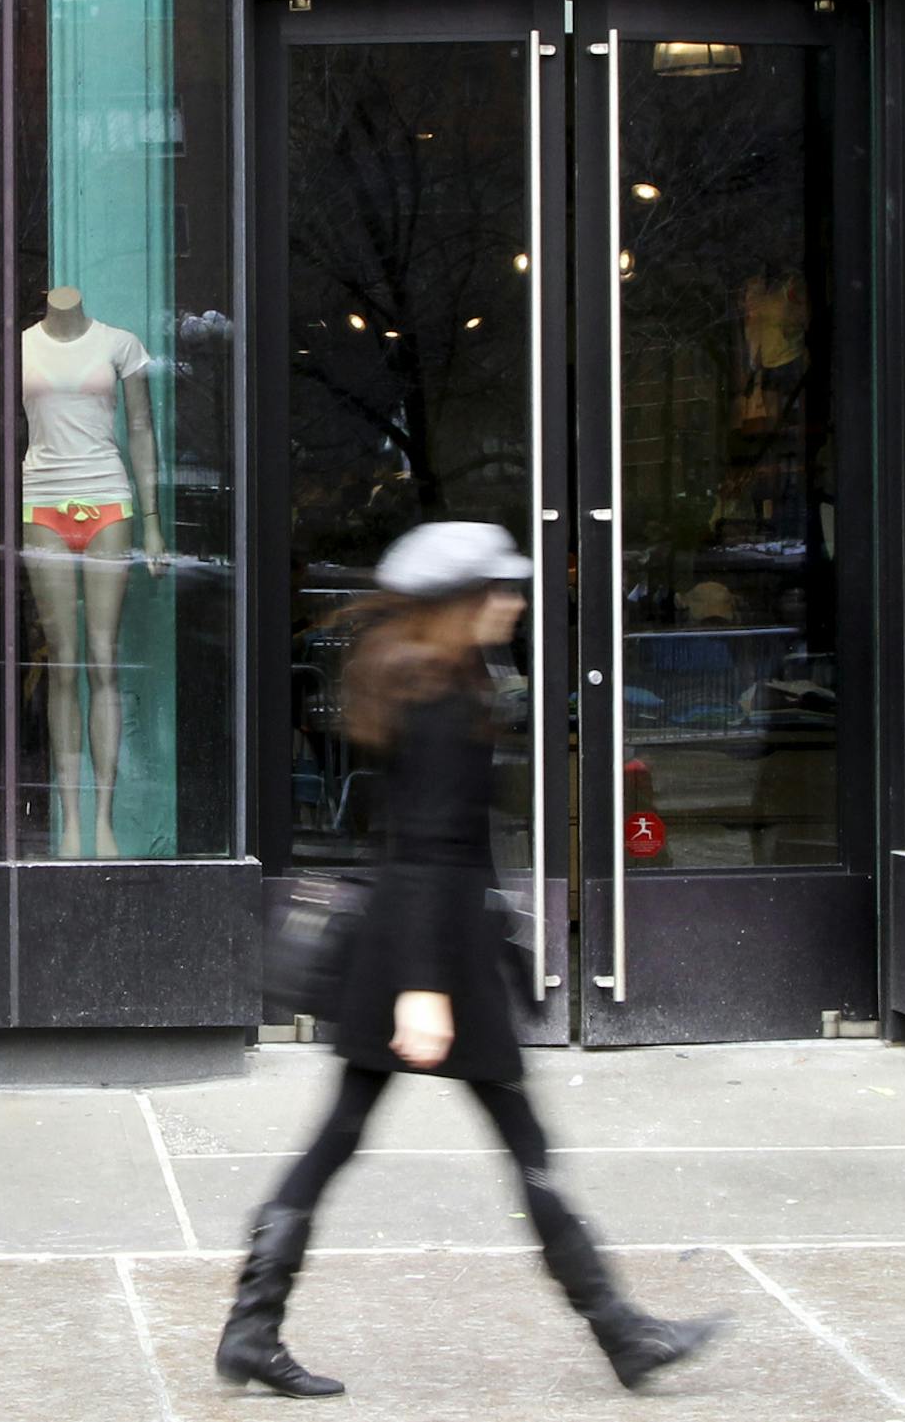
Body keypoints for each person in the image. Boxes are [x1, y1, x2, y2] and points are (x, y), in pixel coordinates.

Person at [215, 521, 724, 1399]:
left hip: (426, 950)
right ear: (459, 601)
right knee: (516, 1143)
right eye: (499, 588)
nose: (515, 600)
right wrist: (424, 990)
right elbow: (422, 852)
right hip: (427, 960)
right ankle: (620, 1331)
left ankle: (251, 1328)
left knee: (340, 1138)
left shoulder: (428, 676)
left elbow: (439, 851)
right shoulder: (445, 696)